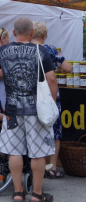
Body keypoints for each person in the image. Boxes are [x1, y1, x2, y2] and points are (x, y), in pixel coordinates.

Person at [0, 17, 57, 202]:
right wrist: (52, 103)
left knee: (14, 151)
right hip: (36, 111)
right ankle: (37, 194)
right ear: (32, 33)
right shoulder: (41, 51)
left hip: (12, 110)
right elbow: (52, 79)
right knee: (38, 152)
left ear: (14, 33)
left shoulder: (2, 50)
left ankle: (18, 192)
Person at [32, 21, 72, 179]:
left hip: (29, 95)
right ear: (44, 35)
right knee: (54, 131)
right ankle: (52, 168)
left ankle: (33, 166)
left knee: (33, 131)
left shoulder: (24, 49)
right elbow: (68, 68)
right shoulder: (51, 50)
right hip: (49, 95)